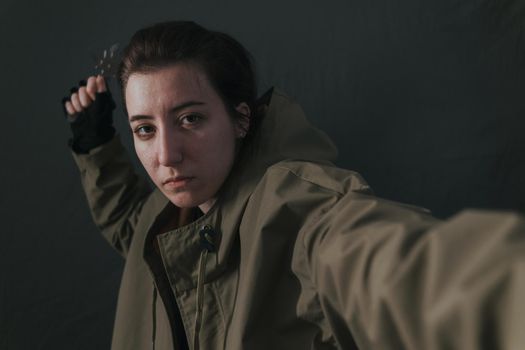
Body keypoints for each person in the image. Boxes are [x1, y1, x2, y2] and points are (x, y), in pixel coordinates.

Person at [62, 21, 525, 350]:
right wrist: (96, 145)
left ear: (240, 119)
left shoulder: (293, 205)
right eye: (145, 129)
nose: (165, 155)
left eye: (190, 119)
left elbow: (382, 258)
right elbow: (130, 226)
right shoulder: (164, 215)